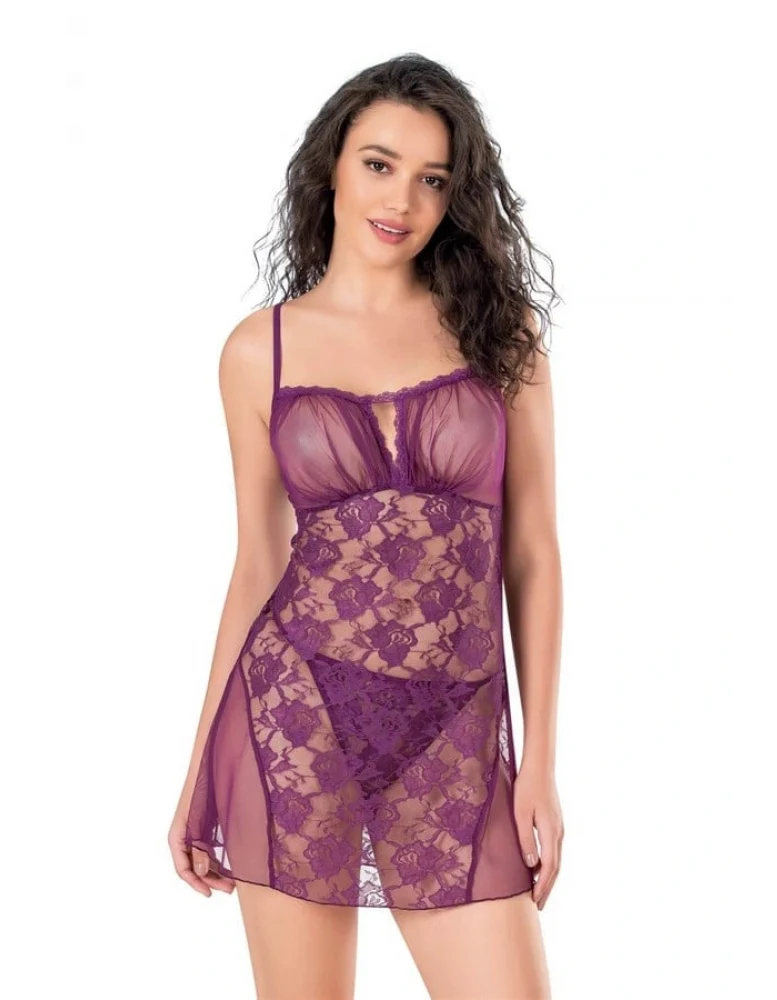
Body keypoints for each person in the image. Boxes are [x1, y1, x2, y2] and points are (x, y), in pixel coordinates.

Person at [168, 52, 563, 1000]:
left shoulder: (501, 334)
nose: (402, 200)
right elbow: (258, 563)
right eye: (380, 165)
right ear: (332, 167)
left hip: (455, 727)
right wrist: (198, 771)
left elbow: (533, 553)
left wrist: (539, 766)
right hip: (296, 714)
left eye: (433, 179)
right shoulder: (258, 351)